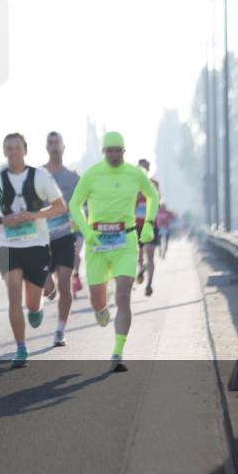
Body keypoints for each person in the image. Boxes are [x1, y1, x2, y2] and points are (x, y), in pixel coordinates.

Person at [69, 132, 158, 372]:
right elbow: (74, 204)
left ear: (124, 151)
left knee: (123, 296)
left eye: (118, 150)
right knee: (98, 302)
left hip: (126, 241)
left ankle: (118, 352)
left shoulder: (134, 173)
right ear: (104, 152)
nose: (114, 154)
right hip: (97, 243)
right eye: (110, 150)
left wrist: (148, 224)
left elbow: (152, 195)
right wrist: (86, 230)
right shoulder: (92, 174)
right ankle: (101, 309)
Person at [0, 134, 67, 366]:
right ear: (4, 151)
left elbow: (61, 206)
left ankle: (37, 308)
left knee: (32, 303)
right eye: (9, 148)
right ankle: (21, 348)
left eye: (17, 148)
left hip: (36, 245)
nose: (13, 152)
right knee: (14, 296)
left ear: (25, 150)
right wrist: (2, 221)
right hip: (9, 247)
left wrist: (36, 215)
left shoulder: (39, 176)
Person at [41, 131, 83, 346]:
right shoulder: (38, 175)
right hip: (42, 240)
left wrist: (80, 238)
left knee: (65, 285)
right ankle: (48, 287)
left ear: (64, 147)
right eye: (50, 143)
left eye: (57, 142)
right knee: (48, 289)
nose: (54, 146)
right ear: (46, 147)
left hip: (66, 237)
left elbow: (81, 209)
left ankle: (60, 330)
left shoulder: (73, 178)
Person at [135, 158, 162, 296]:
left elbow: (158, 203)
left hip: (150, 224)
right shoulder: (133, 185)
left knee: (150, 255)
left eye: (146, 167)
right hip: (136, 226)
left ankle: (149, 284)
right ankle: (142, 269)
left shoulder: (154, 184)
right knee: (139, 256)